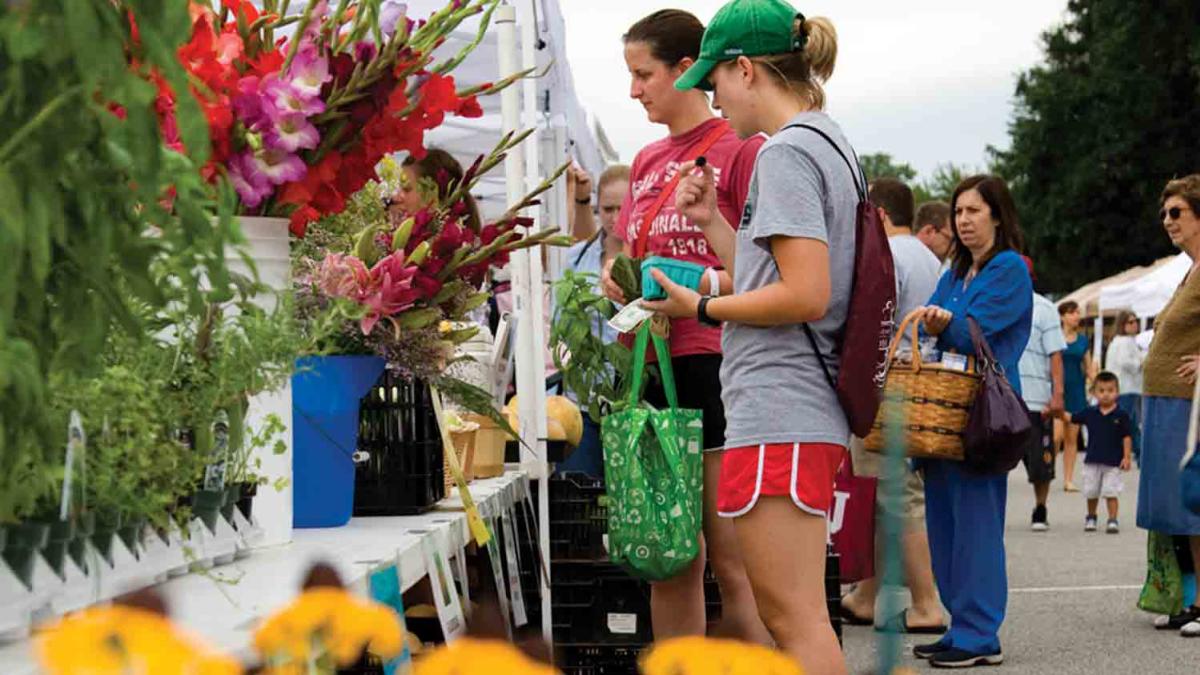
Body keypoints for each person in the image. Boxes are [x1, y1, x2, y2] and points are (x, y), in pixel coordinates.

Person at [642, 2, 852, 671]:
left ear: (746, 69)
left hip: (780, 407)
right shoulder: (824, 140)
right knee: (792, 614)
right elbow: (779, 273)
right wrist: (710, 229)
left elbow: (804, 293)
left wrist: (704, 313)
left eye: (715, 81)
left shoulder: (785, 154)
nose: (711, 97)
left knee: (791, 618)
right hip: (800, 408)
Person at [598, 9, 768, 644]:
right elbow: (631, 252)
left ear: (685, 71)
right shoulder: (643, 162)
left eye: (644, 74)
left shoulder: (737, 148)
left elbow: (763, 269)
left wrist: (695, 292)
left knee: (733, 559)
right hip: (653, 366)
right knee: (668, 554)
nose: (635, 90)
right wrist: (620, 278)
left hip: (716, 363)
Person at [913, 175, 1032, 667]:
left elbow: (971, 333)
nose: (963, 220)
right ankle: (960, 623)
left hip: (982, 416)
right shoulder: (954, 271)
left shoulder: (1008, 268)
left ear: (997, 216)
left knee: (977, 525)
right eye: (958, 212)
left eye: (974, 211)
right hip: (943, 412)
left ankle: (981, 633)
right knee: (944, 525)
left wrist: (943, 324)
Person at [839, 178, 945, 635]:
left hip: (888, 385)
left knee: (896, 497)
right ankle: (867, 594)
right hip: (922, 383)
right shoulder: (928, 258)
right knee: (885, 495)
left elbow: (870, 325)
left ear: (878, 214)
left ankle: (925, 603)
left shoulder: (887, 256)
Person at [1137, 174, 1200, 637]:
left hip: (1188, 404)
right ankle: (1188, 600)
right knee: (1170, 509)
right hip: (1165, 400)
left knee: (1191, 504)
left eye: (1176, 212)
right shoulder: (1190, 269)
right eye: (1164, 214)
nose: (1167, 221)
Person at [557, 165, 631, 477]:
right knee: (578, 499)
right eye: (608, 209)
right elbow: (561, 324)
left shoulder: (648, 259)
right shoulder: (575, 258)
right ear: (598, 208)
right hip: (581, 401)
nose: (615, 217)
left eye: (623, 208)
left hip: (631, 401)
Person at [1017, 258, 1066, 531]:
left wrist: (1057, 394)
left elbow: (1055, 355)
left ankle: (1040, 507)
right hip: (1005, 398)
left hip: (1037, 399)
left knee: (1040, 462)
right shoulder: (997, 305)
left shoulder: (1045, 309)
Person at [1071, 372, 1133, 534]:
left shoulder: (1121, 415)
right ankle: (1091, 516)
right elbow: (1072, 418)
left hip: (1113, 461)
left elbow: (1126, 437)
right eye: (1102, 390)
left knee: (1111, 491)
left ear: (1117, 392)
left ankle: (1112, 519)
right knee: (1091, 491)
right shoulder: (1090, 413)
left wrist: (1126, 457)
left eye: (1110, 390)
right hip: (1092, 460)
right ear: (1094, 392)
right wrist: (1055, 412)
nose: (1106, 394)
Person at [1057, 299, 1094, 492]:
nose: (1076, 316)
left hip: (1077, 392)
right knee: (1056, 437)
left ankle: (1068, 479)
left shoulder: (1082, 341)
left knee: (1072, 439)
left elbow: (1088, 368)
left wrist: (1098, 383)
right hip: (1056, 392)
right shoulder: (1054, 337)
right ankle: (1047, 470)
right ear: (1063, 316)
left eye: (1078, 312)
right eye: (1072, 313)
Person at [1105, 309, 1145, 461]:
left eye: (1135, 321)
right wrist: (1140, 363)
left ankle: (1135, 453)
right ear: (1123, 324)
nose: (1135, 324)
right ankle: (1138, 453)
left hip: (1127, 388)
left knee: (1129, 422)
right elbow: (1125, 362)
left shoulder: (1124, 341)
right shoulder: (1124, 342)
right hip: (1126, 388)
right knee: (1129, 423)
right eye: (1130, 322)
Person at [914, 200, 954, 270]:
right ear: (929, 231)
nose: (954, 248)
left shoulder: (949, 267)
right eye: (951, 240)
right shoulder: (901, 261)